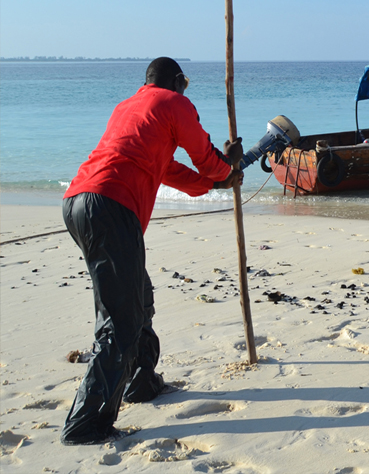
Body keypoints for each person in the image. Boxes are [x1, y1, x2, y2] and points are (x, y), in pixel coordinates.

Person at [60, 57, 242, 445]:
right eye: (185, 85)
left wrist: (215, 184)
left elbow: (170, 171)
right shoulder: (175, 104)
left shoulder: (128, 107)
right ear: (177, 82)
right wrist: (226, 169)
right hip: (112, 205)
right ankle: (86, 424)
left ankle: (142, 382)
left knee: (137, 298)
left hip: (79, 200)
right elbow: (203, 156)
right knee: (120, 323)